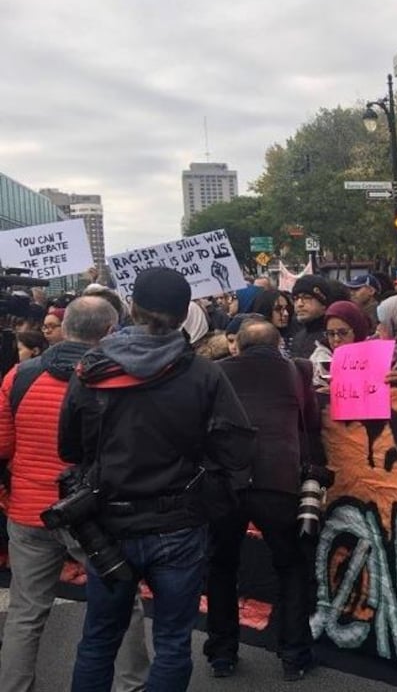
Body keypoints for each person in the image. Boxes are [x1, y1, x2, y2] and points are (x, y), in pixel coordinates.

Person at [59, 267, 254, 691]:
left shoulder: (91, 371)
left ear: (130, 307)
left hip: (107, 525)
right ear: (185, 314)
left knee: (98, 640)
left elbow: (69, 450)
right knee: (172, 641)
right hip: (178, 524)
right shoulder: (204, 374)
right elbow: (237, 449)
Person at [0, 297, 151, 692]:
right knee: (123, 600)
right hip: (93, 515)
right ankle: (131, 684)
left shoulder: (19, 376)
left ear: (65, 328)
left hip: (30, 510)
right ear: (109, 332)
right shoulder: (119, 379)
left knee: (26, 611)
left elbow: (2, 444)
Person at [206, 320, 325, 681]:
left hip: (227, 479)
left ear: (237, 346)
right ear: (279, 347)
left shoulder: (215, 372)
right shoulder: (298, 370)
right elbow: (311, 421)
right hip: (279, 481)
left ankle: (222, 653)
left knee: (222, 566)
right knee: (290, 566)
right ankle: (294, 655)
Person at [290, 275, 345, 360]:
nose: (299, 304)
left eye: (307, 298)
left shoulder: (335, 335)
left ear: (323, 303)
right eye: (296, 298)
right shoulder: (297, 338)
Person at [252, 289, 296, 356]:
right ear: (266, 309)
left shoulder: (297, 337)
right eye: (278, 309)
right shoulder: (253, 341)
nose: (286, 313)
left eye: (287, 308)